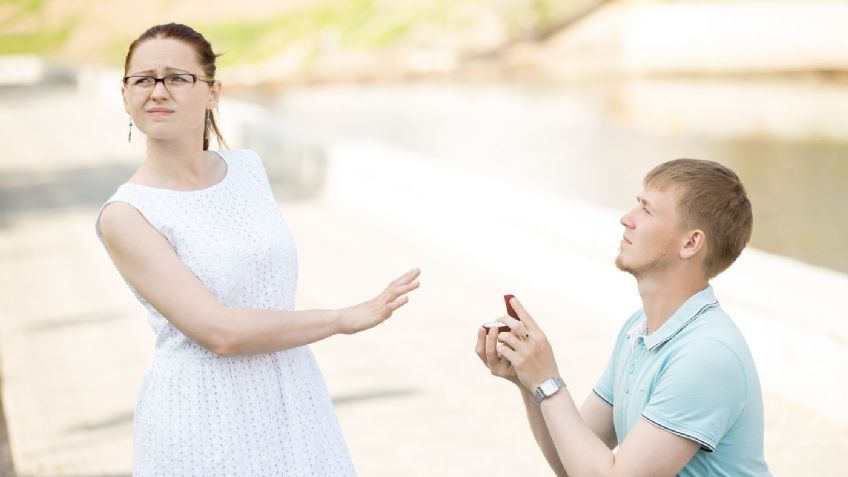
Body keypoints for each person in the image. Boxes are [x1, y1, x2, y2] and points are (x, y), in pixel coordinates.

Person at [95, 23, 420, 476]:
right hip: (204, 418)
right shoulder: (127, 215)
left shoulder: (247, 169)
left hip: (294, 394)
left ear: (213, 92)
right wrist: (343, 319)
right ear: (126, 95)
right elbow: (219, 332)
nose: (158, 91)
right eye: (143, 79)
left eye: (177, 77)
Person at [476, 159, 771, 476]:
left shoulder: (706, 354)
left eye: (646, 210)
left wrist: (547, 381)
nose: (626, 219)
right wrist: (529, 381)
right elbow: (573, 465)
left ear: (690, 243)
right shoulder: (638, 329)